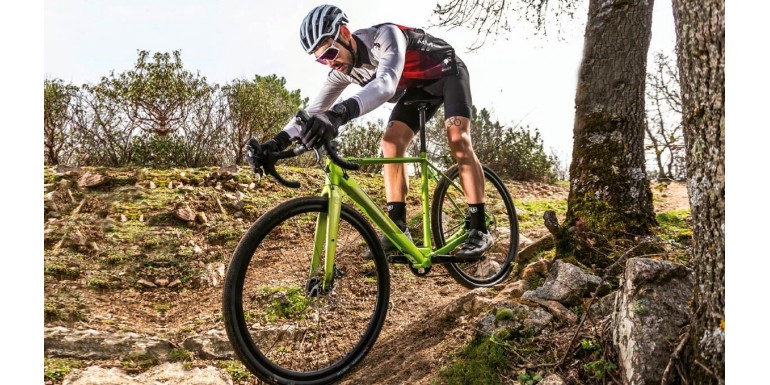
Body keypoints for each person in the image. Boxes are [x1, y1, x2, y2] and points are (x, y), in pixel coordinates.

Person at [260, 4, 492, 258]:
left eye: (330, 53)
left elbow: (385, 85)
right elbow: (312, 111)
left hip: (447, 72)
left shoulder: (384, 36)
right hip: (417, 88)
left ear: (345, 34)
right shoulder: (343, 72)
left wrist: (338, 114)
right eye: (321, 59)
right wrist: (274, 143)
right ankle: (397, 228)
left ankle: (479, 228)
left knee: (458, 139)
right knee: (391, 143)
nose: (329, 63)